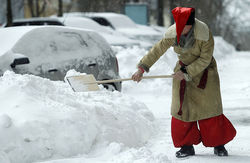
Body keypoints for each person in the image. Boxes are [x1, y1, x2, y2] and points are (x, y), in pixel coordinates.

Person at [132, 7, 236, 158]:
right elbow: (157, 50)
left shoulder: (204, 33)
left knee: (210, 110)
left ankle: (218, 144)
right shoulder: (173, 32)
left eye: (185, 27)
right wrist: (142, 68)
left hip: (205, 72)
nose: (182, 29)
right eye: (180, 26)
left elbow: (205, 59)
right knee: (181, 110)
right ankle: (186, 146)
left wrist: (187, 72)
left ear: (192, 24)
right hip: (182, 72)